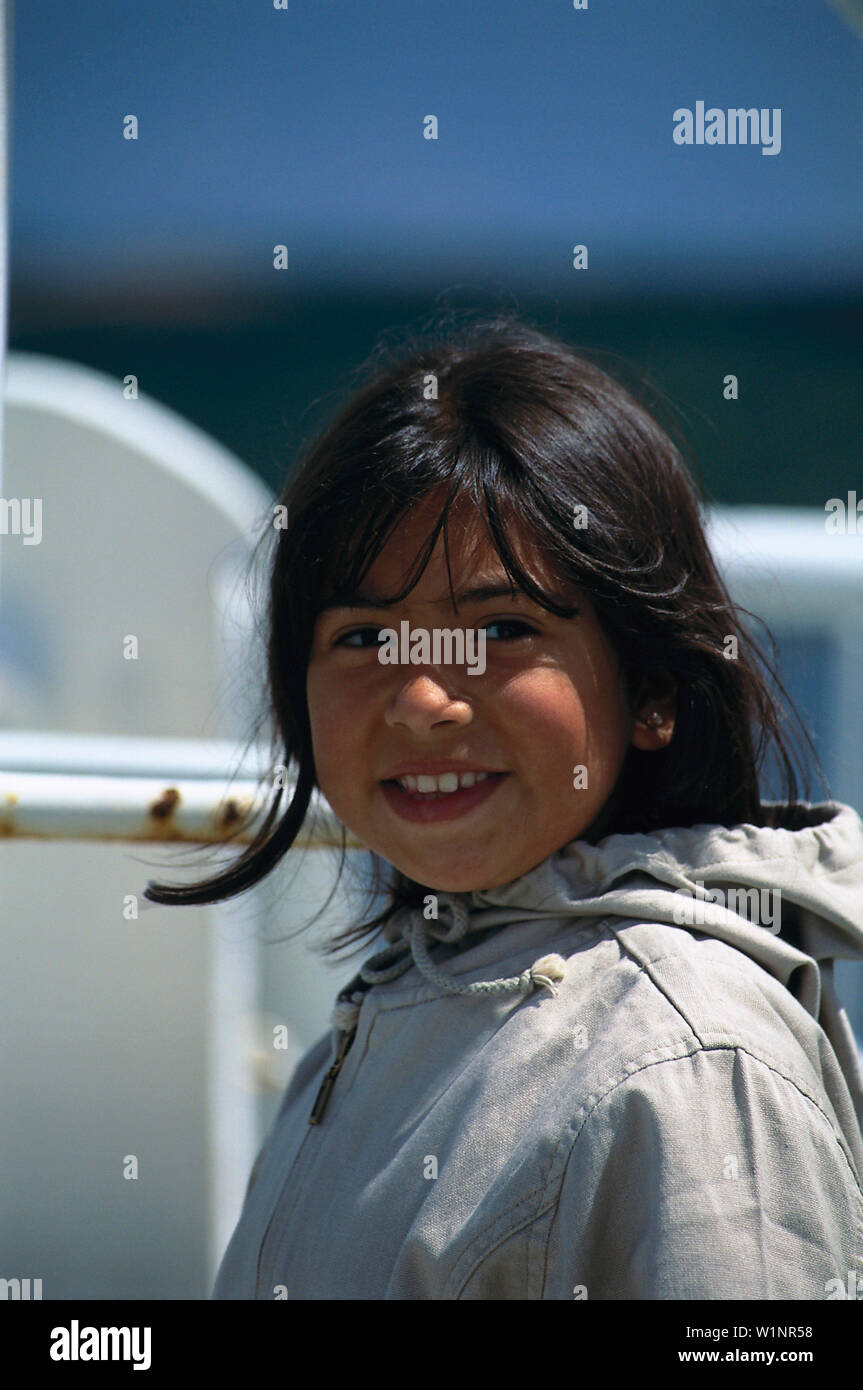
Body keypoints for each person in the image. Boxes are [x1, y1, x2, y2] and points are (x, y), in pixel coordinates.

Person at [145, 313, 863, 1300]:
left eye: (498, 627)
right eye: (363, 638)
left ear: (652, 685)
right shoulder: (391, 1012)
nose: (422, 697)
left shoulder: (690, 1063)